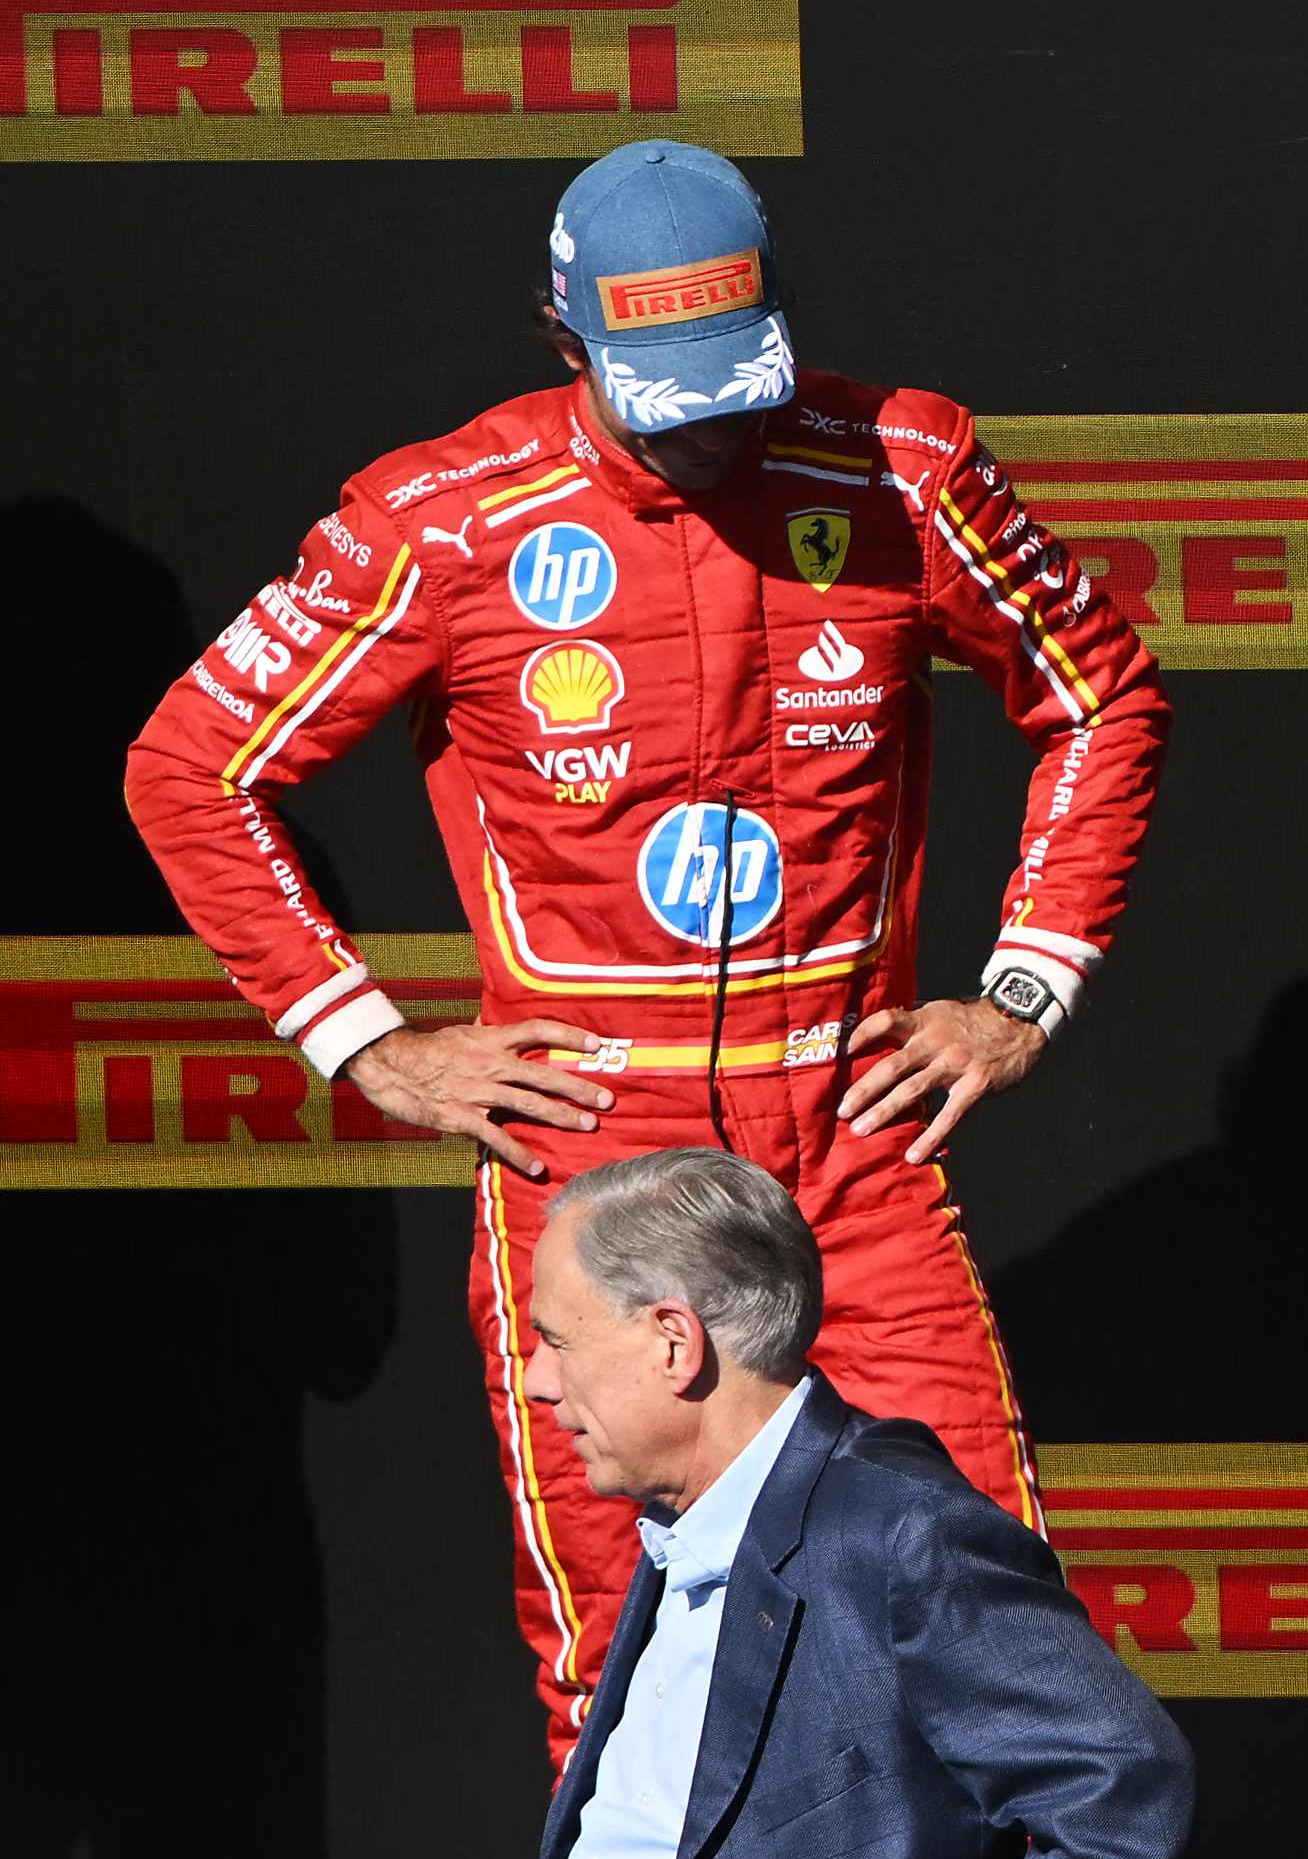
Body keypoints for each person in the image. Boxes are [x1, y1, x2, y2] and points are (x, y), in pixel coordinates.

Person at [124, 139, 1172, 1754]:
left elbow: (1103, 692)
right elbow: (192, 762)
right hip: (593, 1154)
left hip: (850, 1134)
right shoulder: (444, 516)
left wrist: (1024, 987)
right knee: (620, 1651)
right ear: (565, 342)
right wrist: (361, 1037)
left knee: (988, 1627)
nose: (714, 433)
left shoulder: (903, 464)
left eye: (739, 379)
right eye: (666, 391)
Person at [109, 1148, 1192, 1859]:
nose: (536, 1379)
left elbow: (1117, 1778)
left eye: (558, 1339)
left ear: (674, 1341)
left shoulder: (896, 1524)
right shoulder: (697, 1522)